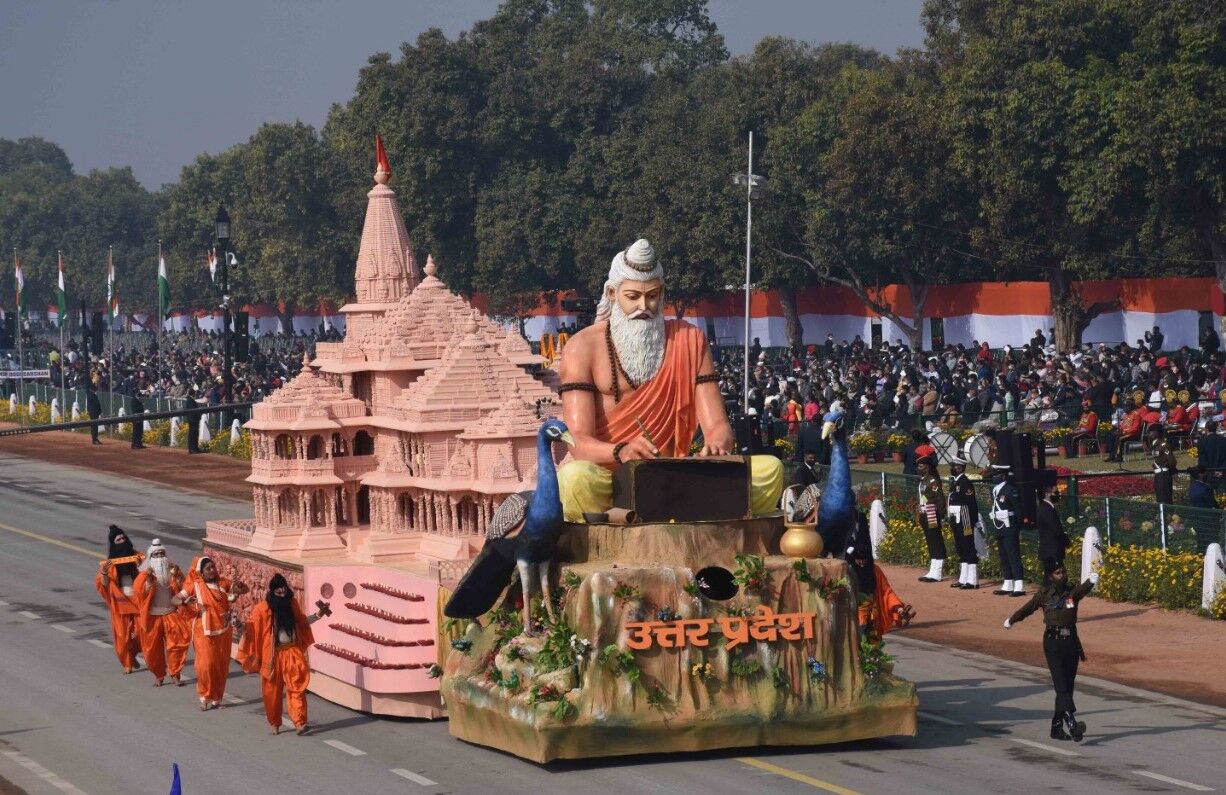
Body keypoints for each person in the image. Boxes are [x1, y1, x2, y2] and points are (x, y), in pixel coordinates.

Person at [555, 239, 783, 520]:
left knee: (769, 470)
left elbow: (718, 425)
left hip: (672, 471)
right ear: (612, 294)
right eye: (633, 296)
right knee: (574, 478)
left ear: (662, 294)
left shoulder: (689, 340)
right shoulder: (582, 347)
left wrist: (715, 446)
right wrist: (621, 450)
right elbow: (577, 442)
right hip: (611, 478)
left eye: (652, 295)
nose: (644, 306)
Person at [1004, 563, 1100, 742]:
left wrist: (1090, 582)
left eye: (1063, 572)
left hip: (1070, 643)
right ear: (1050, 576)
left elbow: (1080, 591)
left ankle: (1056, 727)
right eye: (1057, 573)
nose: (1062, 575)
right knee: (1061, 684)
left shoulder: (1071, 593)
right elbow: (1028, 608)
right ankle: (1072, 723)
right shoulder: (1044, 594)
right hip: (1053, 642)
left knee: (1067, 686)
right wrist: (1012, 619)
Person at [238, 574, 329, 735]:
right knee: (271, 693)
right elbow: (251, 627)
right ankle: (275, 722)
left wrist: (318, 615)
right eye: (278, 594)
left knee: (297, 687)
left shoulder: (291, 604)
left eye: (284, 593)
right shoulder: (262, 609)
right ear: (272, 593)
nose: (282, 596)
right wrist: (240, 626)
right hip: (272, 657)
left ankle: (300, 722)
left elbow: (301, 622)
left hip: (291, 652)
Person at [180, 556, 248, 710]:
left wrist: (240, 586)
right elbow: (176, 599)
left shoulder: (223, 583)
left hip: (223, 630)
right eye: (208, 568)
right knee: (206, 665)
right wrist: (187, 602)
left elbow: (243, 590)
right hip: (203, 630)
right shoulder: (195, 586)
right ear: (201, 572)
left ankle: (217, 697)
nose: (212, 570)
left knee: (221, 665)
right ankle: (204, 696)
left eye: (213, 567)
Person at [847, 509, 914, 640]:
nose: (861, 563)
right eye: (858, 560)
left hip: (872, 618)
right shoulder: (846, 571)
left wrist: (899, 608)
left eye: (864, 560)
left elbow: (886, 591)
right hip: (852, 620)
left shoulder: (874, 570)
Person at [133, 539, 190, 686]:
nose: (159, 558)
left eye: (162, 554)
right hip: (153, 616)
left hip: (171, 613)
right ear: (150, 557)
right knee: (152, 650)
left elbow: (182, 588)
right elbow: (139, 596)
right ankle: (159, 675)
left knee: (177, 645)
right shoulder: (144, 575)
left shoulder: (172, 571)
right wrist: (149, 582)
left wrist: (177, 576)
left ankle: (175, 674)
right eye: (156, 554)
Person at [95, 525, 144, 672]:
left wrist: (140, 566)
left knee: (141, 632)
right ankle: (127, 664)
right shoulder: (109, 564)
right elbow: (104, 586)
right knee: (123, 636)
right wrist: (104, 573)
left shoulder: (137, 556)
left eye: (123, 538)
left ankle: (133, 653)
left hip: (137, 601)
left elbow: (148, 574)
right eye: (118, 539)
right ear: (114, 543)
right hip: (120, 603)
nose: (122, 540)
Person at [990, 465, 1026, 597]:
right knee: (1003, 556)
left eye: (996, 474)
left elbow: (1018, 510)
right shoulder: (995, 490)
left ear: (1003, 476)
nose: (994, 477)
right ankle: (1008, 583)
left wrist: (1018, 528)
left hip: (1010, 526)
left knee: (1013, 556)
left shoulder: (1010, 490)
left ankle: (1019, 586)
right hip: (999, 526)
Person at [947, 456, 981, 589]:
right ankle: (963, 578)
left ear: (960, 468)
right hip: (956, 518)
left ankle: (973, 580)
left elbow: (971, 503)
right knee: (960, 547)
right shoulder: (955, 482)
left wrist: (974, 522)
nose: (952, 468)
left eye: (954, 466)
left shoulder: (965, 483)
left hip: (965, 518)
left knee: (968, 546)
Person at [916, 456, 947, 583]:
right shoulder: (923, 480)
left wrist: (942, 515)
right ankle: (932, 570)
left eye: (921, 466)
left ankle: (938, 572)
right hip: (924, 513)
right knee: (930, 541)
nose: (919, 468)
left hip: (932, 513)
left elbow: (939, 498)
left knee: (936, 541)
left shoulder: (933, 481)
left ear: (927, 467)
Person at [1036, 485, 1069, 575]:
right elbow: (1055, 529)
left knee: (1050, 577)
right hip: (1052, 550)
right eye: (1055, 492)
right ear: (1047, 494)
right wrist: (1065, 539)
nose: (1058, 495)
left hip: (1050, 549)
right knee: (1055, 575)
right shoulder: (1046, 509)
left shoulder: (1047, 507)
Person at [1149, 425, 1176, 504]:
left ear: (1156, 433)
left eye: (1150, 432)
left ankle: (1168, 515)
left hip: (1163, 474)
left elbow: (1171, 461)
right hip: (1158, 474)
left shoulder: (1163, 445)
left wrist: (1173, 471)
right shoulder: (1155, 444)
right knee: (1159, 497)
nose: (1149, 434)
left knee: (1165, 498)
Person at [87, 380, 102, 445]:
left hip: (93, 412)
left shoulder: (91, 394)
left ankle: (95, 438)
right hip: (94, 413)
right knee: (94, 427)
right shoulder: (92, 395)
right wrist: (99, 411)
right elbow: (96, 404)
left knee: (95, 426)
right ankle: (94, 439)